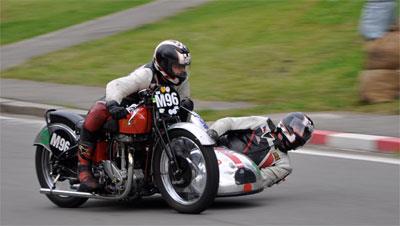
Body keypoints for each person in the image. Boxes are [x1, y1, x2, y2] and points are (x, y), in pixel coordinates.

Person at [78, 40, 193, 191]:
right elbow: (115, 85)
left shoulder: (180, 81)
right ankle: (83, 169)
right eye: (178, 67)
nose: (182, 71)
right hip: (125, 106)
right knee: (99, 109)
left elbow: (184, 101)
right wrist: (113, 104)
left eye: (183, 67)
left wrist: (185, 105)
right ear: (164, 64)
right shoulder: (146, 74)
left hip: (154, 113)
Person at [207, 112, 314, 188]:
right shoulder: (263, 123)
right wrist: (213, 134)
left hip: (228, 172)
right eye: (298, 128)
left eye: (303, 134)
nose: (300, 134)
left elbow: (259, 179)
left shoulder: (284, 165)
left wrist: (243, 176)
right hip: (213, 147)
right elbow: (229, 122)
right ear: (289, 122)